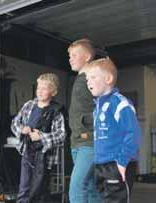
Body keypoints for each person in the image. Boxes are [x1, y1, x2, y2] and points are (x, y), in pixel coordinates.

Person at [86, 58, 141, 203]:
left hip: (117, 163)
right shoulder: (97, 106)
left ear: (108, 79)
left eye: (93, 77)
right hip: (101, 163)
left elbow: (133, 133)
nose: (88, 82)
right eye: (87, 79)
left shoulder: (119, 102)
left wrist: (122, 162)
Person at [11, 73, 66, 203]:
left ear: (53, 92)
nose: (40, 91)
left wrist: (41, 137)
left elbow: (62, 134)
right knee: (24, 188)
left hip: (44, 158)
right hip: (27, 153)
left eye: (44, 88)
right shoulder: (29, 105)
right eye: (38, 88)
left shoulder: (56, 111)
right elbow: (14, 123)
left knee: (39, 190)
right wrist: (22, 129)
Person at [67, 38, 101, 203]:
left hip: (89, 141)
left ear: (87, 57)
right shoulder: (80, 79)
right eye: (69, 55)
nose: (70, 58)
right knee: (90, 187)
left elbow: (105, 106)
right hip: (77, 142)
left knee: (76, 186)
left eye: (74, 55)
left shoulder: (93, 77)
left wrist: (86, 122)